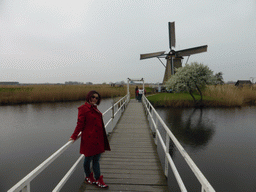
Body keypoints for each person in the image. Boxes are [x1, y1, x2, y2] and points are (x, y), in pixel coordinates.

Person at [69, 90, 111, 188]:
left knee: (96, 160)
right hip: (89, 139)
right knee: (88, 159)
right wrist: (73, 136)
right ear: (89, 97)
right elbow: (80, 124)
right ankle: (89, 176)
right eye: (93, 97)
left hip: (98, 138)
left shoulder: (95, 108)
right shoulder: (83, 109)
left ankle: (98, 179)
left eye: (97, 98)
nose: (95, 99)